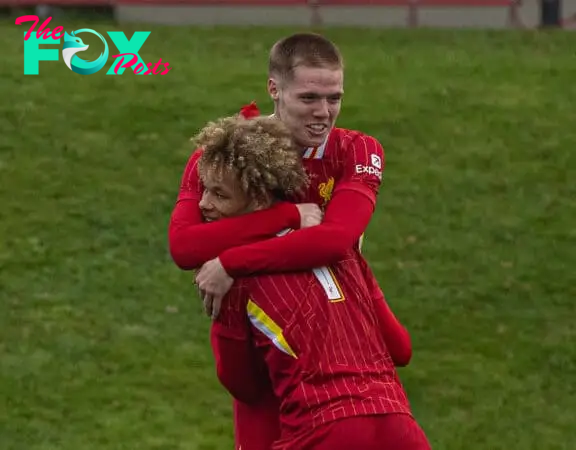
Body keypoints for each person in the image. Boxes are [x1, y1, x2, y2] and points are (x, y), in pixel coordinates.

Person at [168, 33, 408, 449]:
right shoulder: (224, 157)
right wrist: (290, 215)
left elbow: (334, 242)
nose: (324, 112)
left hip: (344, 325)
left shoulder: (356, 149)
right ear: (273, 90)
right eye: (309, 98)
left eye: (334, 98)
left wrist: (230, 263)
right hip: (267, 352)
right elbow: (185, 248)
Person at [191, 114, 430, 449]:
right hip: (398, 427)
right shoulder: (344, 252)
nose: (204, 203)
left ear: (259, 199)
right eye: (204, 190)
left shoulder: (233, 277)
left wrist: (222, 320)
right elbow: (401, 349)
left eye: (219, 194)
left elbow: (242, 386)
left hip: (323, 430)